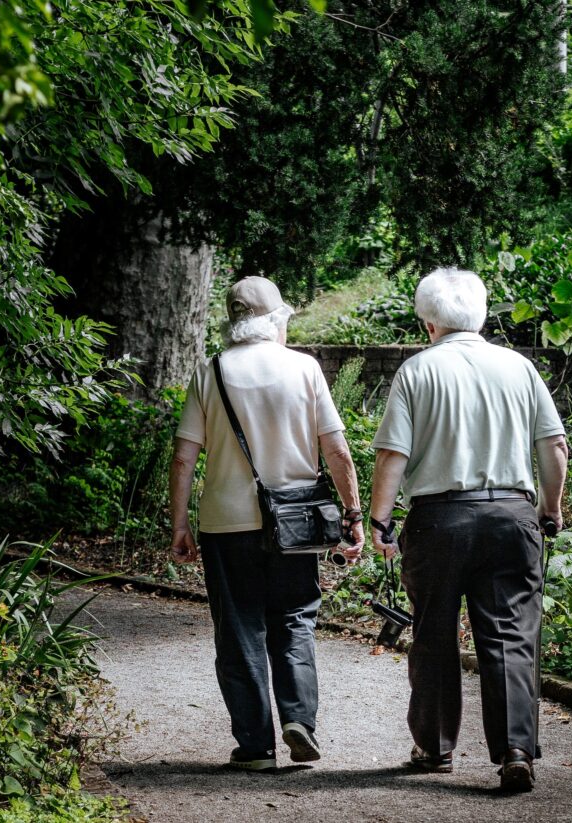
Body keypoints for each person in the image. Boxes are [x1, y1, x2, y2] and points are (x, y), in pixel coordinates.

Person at [370, 267, 568, 792]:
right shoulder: (519, 367)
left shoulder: (417, 371)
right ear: (480, 315)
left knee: (433, 631)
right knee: (510, 636)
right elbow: (553, 446)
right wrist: (551, 509)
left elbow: (394, 455)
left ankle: (434, 748)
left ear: (428, 322)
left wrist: (380, 520)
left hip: (438, 520)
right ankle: (515, 751)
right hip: (510, 515)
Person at [169, 276, 365, 772]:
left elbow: (183, 459)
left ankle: (255, 746)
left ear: (233, 322)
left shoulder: (209, 372)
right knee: (295, 619)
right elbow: (336, 450)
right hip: (297, 523)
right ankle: (300, 720)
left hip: (225, 524)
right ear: (276, 319)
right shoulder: (305, 368)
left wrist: (179, 524)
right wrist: (353, 514)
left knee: (238, 630)